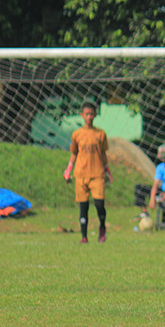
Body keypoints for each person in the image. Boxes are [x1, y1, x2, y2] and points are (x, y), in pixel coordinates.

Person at [64, 101, 110, 243]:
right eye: (87, 114)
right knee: (83, 207)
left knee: (99, 205)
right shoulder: (77, 134)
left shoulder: (100, 134)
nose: (89, 117)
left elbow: (103, 154)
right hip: (81, 174)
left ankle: (102, 227)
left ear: (95, 115)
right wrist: (68, 170)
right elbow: (74, 153)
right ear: (82, 115)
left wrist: (107, 171)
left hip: (97, 175)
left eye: (92, 114)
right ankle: (84, 237)